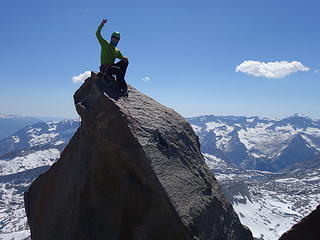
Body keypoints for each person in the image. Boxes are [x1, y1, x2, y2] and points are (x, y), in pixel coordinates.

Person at [96, 19, 129, 93]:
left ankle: (121, 80)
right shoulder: (105, 44)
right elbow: (97, 34)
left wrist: (125, 58)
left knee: (125, 62)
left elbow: (122, 58)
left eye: (117, 39)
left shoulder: (116, 50)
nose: (115, 40)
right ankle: (115, 80)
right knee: (117, 70)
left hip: (112, 67)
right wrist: (102, 24)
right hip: (105, 68)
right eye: (114, 38)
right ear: (111, 38)